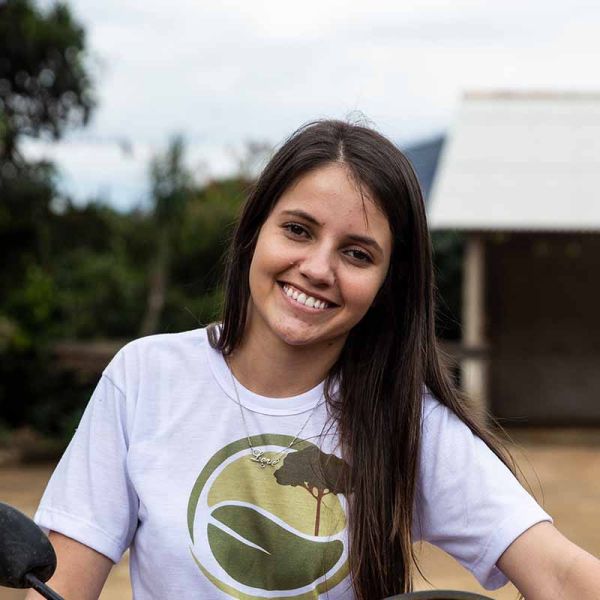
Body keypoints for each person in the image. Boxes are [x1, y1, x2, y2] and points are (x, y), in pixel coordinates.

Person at [30, 120, 600, 600]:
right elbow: (62, 585)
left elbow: (558, 573)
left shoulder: (409, 421)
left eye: (357, 254)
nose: (318, 268)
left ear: (388, 283)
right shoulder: (146, 378)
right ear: (255, 231)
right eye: (298, 230)